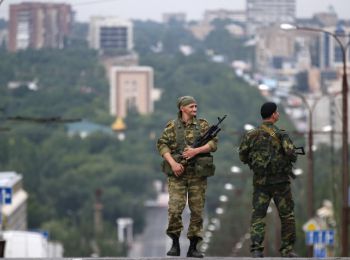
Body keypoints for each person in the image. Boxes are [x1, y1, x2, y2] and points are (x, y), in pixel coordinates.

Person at [157, 96, 218, 258]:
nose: (195, 109)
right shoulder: (172, 127)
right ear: (182, 108)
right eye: (191, 106)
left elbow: (213, 144)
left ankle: (193, 246)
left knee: (197, 210)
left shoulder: (203, 125)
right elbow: (162, 145)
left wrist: (195, 151)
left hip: (197, 175)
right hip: (178, 174)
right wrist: (173, 164)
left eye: (196, 106)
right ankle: (175, 243)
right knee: (175, 209)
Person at [239, 102, 298, 258]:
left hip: (260, 183)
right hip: (281, 184)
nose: (278, 114)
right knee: (287, 216)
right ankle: (287, 250)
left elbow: (242, 155)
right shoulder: (282, 134)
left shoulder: (251, 134)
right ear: (273, 115)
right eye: (277, 112)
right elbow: (292, 154)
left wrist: (254, 164)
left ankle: (257, 249)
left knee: (258, 215)